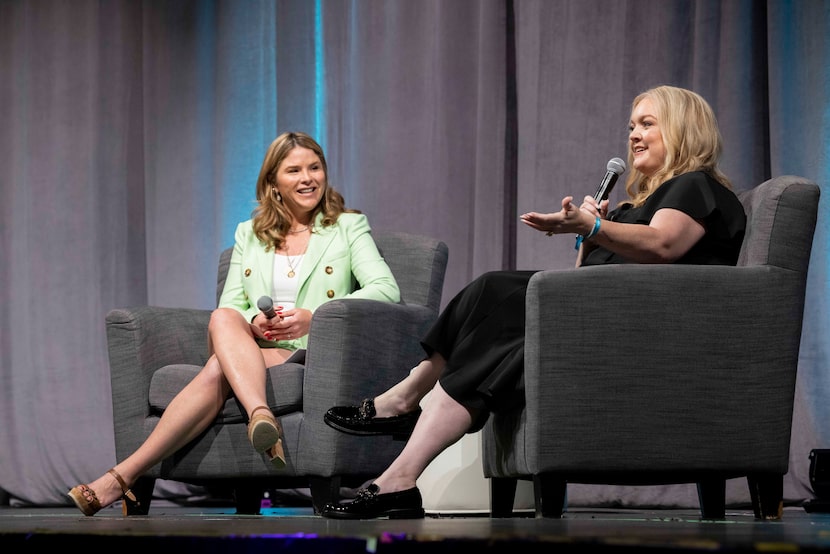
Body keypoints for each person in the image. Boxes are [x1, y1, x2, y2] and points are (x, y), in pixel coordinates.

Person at [320, 85, 747, 519]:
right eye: (631, 126)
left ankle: (406, 399)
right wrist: (590, 230)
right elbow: (585, 280)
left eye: (647, 124)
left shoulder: (695, 187)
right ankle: (400, 475)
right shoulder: (634, 206)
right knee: (495, 336)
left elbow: (662, 246)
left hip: (651, 343)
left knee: (497, 292)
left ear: (683, 129)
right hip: (606, 326)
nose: (634, 135)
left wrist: (596, 227)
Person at [68, 131, 400, 516]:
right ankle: (260, 412)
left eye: (315, 167)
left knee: (215, 371)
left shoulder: (347, 226)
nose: (308, 178)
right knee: (224, 316)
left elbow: (385, 289)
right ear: (273, 182)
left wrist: (314, 318)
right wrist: (256, 323)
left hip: (309, 351)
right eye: (294, 170)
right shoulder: (250, 233)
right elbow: (231, 306)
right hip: (255, 346)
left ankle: (118, 479)